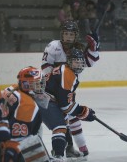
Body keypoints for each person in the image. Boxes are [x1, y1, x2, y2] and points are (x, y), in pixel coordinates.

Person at [41, 20, 99, 160]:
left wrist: (94, 47)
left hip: (65, 86)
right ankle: (65, 149)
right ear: (61, 34)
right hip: (54, 89)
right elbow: (46, 69)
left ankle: (74, 148)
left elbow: (90, 62)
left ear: (76, 36)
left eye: (71, 34)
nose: (68, 37)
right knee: (65, 117)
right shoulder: (53, 46)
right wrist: (56, 85)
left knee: (70, 116)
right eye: (65, 34)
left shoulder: (78, 49)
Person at [0, 66, 52, 162]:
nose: (41, 86)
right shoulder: (27, 104)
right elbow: (18, 139)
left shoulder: (13, 88)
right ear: (27, 85)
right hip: (0, 146)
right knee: (31, 139)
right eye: (37, 83)